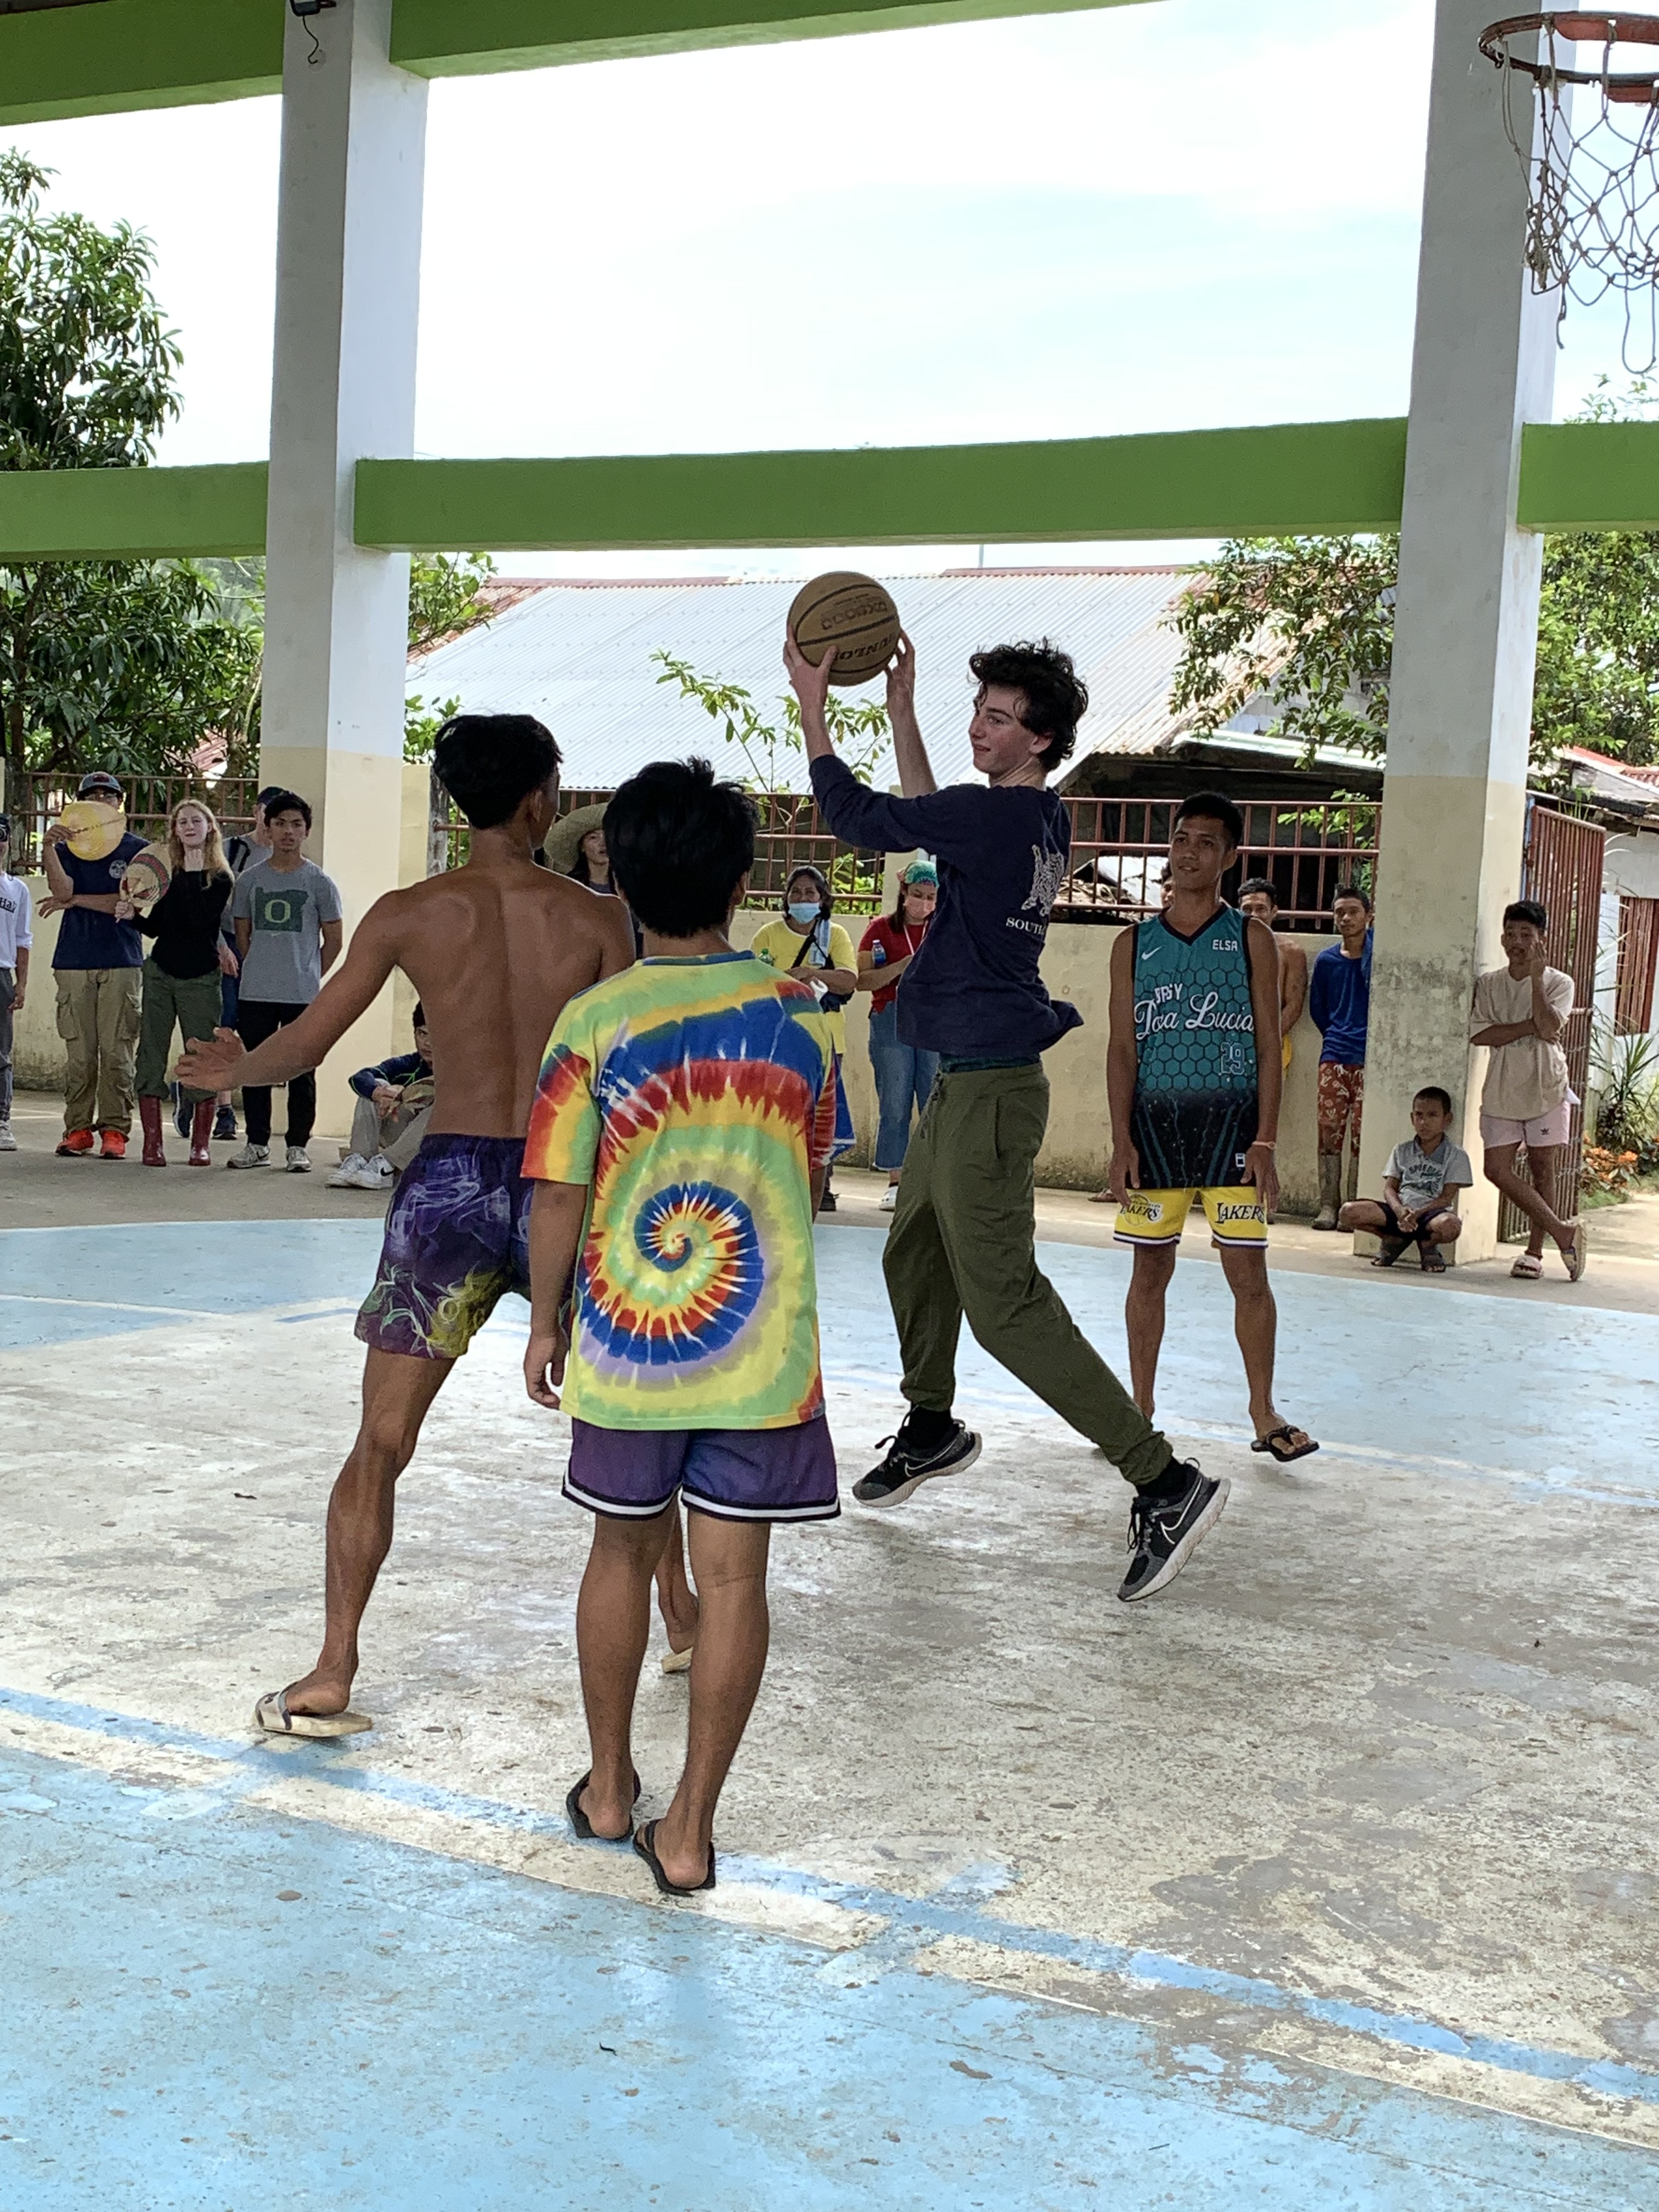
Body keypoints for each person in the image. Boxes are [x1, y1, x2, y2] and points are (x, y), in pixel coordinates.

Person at [180, 714, 639, 1735]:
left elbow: (306, 1044)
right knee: (632, 1437)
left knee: (381, 1438)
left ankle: (332, 1666)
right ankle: (685, 1617)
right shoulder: (598, 919)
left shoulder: (407, 913)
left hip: (449, 1185)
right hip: (570, 1177)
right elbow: (630, 1066)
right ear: (540, 799)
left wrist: (233, 1069)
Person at [789, 627, 1226, 1605]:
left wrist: (814, 708)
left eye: (997, 719)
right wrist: (901, 710)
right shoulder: (1033, 816)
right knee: (912, 1251)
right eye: (977, 713)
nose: (979, 729)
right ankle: (931, 1424)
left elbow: (863, 817)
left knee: (1005, 1305)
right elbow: (928, 821)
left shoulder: (994, 819)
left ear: (1039, 740)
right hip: (966, 1083)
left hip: (989, 1090)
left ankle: (1163, 1481)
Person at [522, 757, 840, 1894]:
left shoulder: (593, 1022)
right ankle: (691, 1832)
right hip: (761, 1355)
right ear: (743, 882)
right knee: (736, 1585)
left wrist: (546, 1321)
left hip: (627, 1343)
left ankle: (611, 1790)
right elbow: (808, 1170)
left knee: (619, 1548)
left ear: (619, 881)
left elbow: (558, 1190)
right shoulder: (799, 1022)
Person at [1109, 794, 1317, 1467]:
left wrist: (1266, 1141)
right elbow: (1122, 1049)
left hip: (1233, 1132)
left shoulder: (1251, 939)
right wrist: (1121, 1141)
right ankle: (1139, 1411)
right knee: (1149, 1269)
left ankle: (1263, 1411)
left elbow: (1267, 1045)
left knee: (1248, 1272)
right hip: (1155, 1133)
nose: (1189, 852)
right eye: (1181, 839)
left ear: (1229, 857)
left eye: (1206, 842)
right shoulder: (1133, 945)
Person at [225, 791, 343, 1173]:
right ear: (268, 828)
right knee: (255, 1067)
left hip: (302, 993)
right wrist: (260, 966)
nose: (288, 832)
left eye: (296, 824)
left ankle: (297, 1146)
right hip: (256, 991)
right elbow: (242, 934)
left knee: (301, 1070)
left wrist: (309, 973)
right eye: (280, 824)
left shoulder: (319, 882)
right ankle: (257, 1143)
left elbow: (334, 940)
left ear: (306, 831)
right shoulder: (249, 881)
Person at [1470, 899, 1585, 1282]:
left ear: (1541, 939)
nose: (1518, 942)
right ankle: (1563, 1232)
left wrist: (1536, 981)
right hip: (1502, 1085)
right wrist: (1528, 1027)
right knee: (1495, 1168)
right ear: (1502, 938)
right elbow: (1481, 1034)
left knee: (1542, 1169)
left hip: (1546, 1083)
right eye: (1511, 934)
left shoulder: (1559, 982)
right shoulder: (1489, 984)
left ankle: (1535, 1253)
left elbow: (1550, 1027)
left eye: (1526, 934)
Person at [39, 770, 146, 1159]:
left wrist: (75, 902)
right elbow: (61, 889)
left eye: (108, 795)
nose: (101, 801)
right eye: (92, 795)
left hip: (121, 959)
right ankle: (78, 1129)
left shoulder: (137, 850)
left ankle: (115, 1130)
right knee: (81, 1054)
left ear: (120, 803)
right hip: (74, 959)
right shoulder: (67, 847)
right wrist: (49, 848)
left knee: (117, 1051)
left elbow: (130, 903)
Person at [124, 800, 236, 1169]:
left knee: (201, 1054)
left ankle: (199, 1145)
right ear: (174, 830)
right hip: (161, 973)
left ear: (210, 828)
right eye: (182, 822)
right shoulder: (166, 874)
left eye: (196, 821)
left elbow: (198, 920)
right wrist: (132, 917)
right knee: (150, 1053)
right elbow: (158, 927)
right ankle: (152, 1143)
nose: (189, 827)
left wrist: (192, 873)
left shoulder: (220, 878)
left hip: (200, 978)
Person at [751, 865, 858, 1212]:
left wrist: (812, 973)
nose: (802, 898)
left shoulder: (834, 935)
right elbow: (755, 981)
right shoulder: (768, 935)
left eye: (810, 892)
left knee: (823, 1114)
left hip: (826, 1037)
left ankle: (821, 1186)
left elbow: (849, 979)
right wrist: (789, 981)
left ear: (822, 898)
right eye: (796, 892)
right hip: (778, 1037)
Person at [177, 785, 280, 1145]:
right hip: (227, 943)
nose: (274, 820)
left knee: (251, 1031)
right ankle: (221, 1109)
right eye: (269, 810)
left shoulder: (287, 856)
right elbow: (209, 904)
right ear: (256, 812)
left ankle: (202, 1093)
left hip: (263, 951)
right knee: (223, 1024)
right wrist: (221, 946)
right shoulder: (234, 850)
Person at [856, 860, 939, 1211]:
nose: (924, 903)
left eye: (931, 898)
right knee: (895, 1098)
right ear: (904, 892)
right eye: (918, 895)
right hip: (891, 1015)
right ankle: (896, 1180)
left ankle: (933, 1182)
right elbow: (862, 981)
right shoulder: (879, 929)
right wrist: (899, 968)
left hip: (934, 1018)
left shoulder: (944, 928)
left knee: (935, 1099)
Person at [1338, 1085, 1471, 1274]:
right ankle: (1392, 1239)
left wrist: (1418, 1213)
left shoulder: (1456, 1156)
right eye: (1419, 1115)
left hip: (1431, 1215)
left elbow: (1446, 1198)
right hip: (1400, 1211)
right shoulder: (1402, 1150)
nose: (1424, 1122)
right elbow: (1390, 1189)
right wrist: (1400, 1210)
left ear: (1447, 1119)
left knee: (1452, 1226)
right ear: (1412, 1118)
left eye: (1433, 1115)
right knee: (1348, 1212)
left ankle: (1428, 1244)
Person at [1307, 884, 1373, 1229]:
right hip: (1334, 1055)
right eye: (1340, 912)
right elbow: (1318, 1008)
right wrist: (1336, 1034)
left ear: (1369, 916)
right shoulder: (1327, 961)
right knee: (1329, 1132)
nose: (1346, 918)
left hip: (1369, 1058)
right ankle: (1328, 1206)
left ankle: (1353, 1208)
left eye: (1354, 912)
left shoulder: (1378, 959)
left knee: (1363, 1134)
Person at [329, 1003, 436, 1191]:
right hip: (402, 1137)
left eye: (434, 1035)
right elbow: (360, 1077)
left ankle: (387, 1166)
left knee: (443, 1105)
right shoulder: (409, 1064)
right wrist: (380, 1093)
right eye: (422, 1034)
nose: (427, 1043)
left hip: (438, 1146)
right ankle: (360, 1160)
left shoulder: (460, 1066)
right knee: (375, 1087)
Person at [1238, 877, 1306, 1074]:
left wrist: (1265, 1042)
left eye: (1261, 909)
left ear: (1274, 911)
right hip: (1230, 1042)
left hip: (1273, 1045)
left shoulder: (1290, 951)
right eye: (1247, 909)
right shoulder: (1226, 949)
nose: (1254, 915)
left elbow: (1293, 1007)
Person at [0, 813, 31, 1153]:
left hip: (2, 974)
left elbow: (24, 940)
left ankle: (2, 1120)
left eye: (1, 836)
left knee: (1, 1052)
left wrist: (21, 984)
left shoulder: (17, 890)